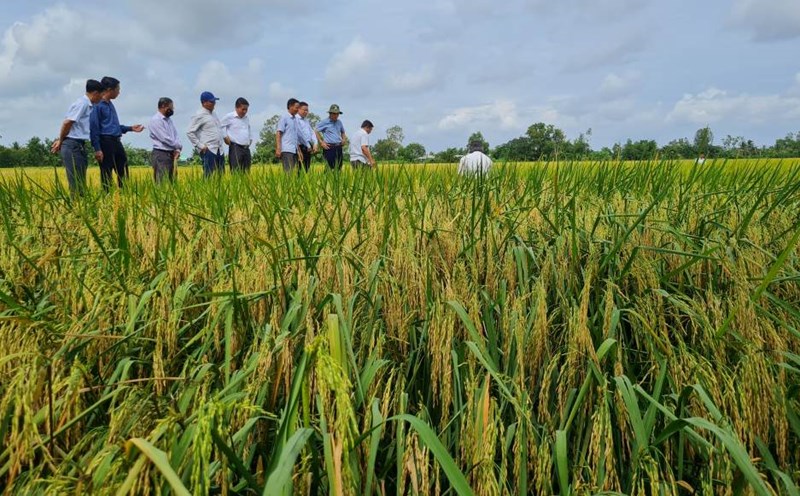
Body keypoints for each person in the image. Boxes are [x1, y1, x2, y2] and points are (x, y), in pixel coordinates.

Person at [50, 79, 104, 196]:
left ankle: (81, 206)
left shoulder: (87, 105)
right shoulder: (83, 104)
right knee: (76, 181)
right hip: (72, 145)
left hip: (78, 145)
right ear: (95, 93)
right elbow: (67, 123)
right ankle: (76, 207)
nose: (101, 98)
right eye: (101, 95)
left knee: (80, 180)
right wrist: (61, 140)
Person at [90, 76, 144, 191]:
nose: (119, 92)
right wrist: (97, 148)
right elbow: (94, 128)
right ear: (109, 90)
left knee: (123, 168)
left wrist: (130, 128)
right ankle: (108, 197)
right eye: (117, 89)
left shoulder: (110, 104)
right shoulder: (97, 106)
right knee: (106, 172)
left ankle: (124, 193)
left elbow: (113, 127)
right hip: (105, 142)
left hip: (116, 141)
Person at [187, 91, 225, 177]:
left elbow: (219, 129)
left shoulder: (214, 114)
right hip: (209, 150)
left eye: (214, 101)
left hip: (219, 149)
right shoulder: (199, 115)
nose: (214, 103)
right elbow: (189, 132)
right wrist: (200, 146)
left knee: (221, 177)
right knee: (209, 176)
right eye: (211, 102)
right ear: (204, 103)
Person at [148, 97, 182, 183]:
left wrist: (177, 149)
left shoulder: (169, 120)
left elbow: (175, 135)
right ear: (163, 106)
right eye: (171, 107)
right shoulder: (156, 120)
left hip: (171, 154)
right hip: (161, 154)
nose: (172, 109)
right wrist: (178, 145)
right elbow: (164, 138)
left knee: (172, 181)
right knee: (162, 181)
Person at [221, 97, 252, 173]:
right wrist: (225, 137)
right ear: (236, 108)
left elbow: (248, 128)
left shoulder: (246, 118)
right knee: (236, 171)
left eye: (246, 109)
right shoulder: (229, 116)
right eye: (243, 109)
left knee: (247, 172)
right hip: (235, 148)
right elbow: (220, 126)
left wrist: (250, 139)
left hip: (246, 148)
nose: (245, 111)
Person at [316, 104, 347, 170]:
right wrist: (321, 142)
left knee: (338, 168)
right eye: (334, 114)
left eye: (337, 114)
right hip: (329, 147)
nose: (336, 115)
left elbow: (343, 132)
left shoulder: (339, 122)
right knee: (329, 168)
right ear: (330, 113)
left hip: (338, 147)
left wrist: (344, 139)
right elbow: (316, 131)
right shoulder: (324, 122)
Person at [275, 98, 302, 172]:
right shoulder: (284, 118)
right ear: (290, 106)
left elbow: (295, 137)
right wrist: (278, 148)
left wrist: (299, 151)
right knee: (288, 173)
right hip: (287, 150)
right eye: (296, 108)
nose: (297, 110)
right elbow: (278, 133)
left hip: (294, 150)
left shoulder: (296, 120)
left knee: (295, 173)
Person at [296, 102, 318, 172]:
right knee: (299, 168)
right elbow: (300, 135)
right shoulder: (295, 119)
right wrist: (308, 145)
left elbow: (312, 132)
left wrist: (315, 143)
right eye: (304, 110)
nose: (306, 112)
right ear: (298, 109)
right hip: (300, 146)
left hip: (307, 147)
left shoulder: (306, 121)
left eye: (307, 110)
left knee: (306, 168)